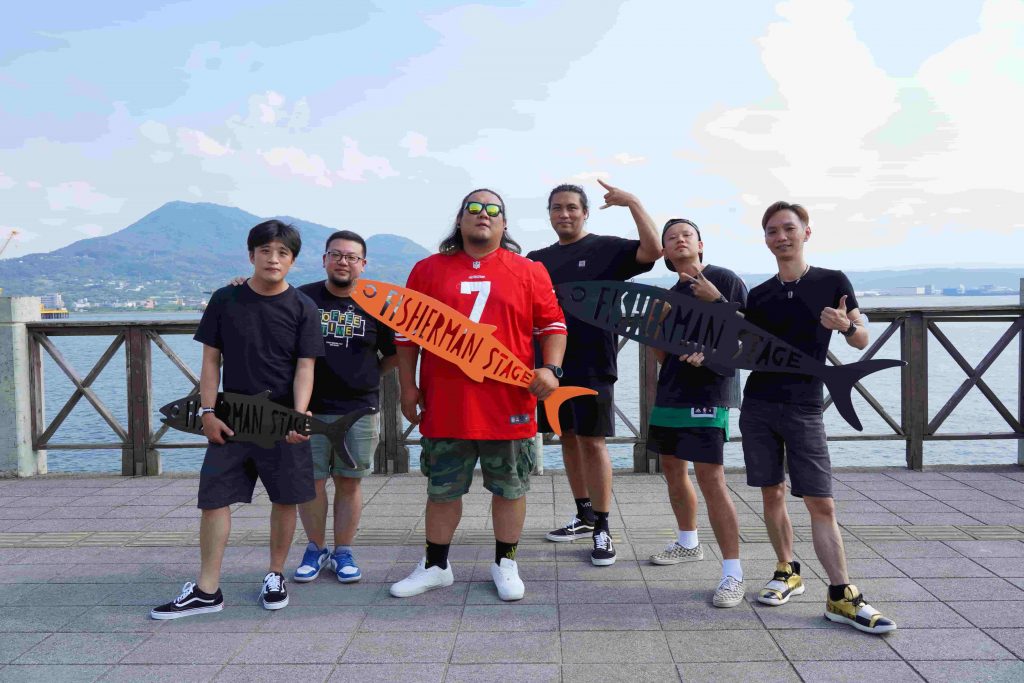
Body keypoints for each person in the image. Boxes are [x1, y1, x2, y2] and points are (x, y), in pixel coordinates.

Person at [389, 189, 567, 601]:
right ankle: (436, 566)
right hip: (446, 402)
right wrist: (408, 386)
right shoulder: (427, 269)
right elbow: (406, 336)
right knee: (442, 489)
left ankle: (506, 563)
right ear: (460, 219)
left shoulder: (529, 270)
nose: (482, 214)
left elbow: (553, 326)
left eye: (493, 210)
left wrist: (551, 369)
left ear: (504, 223)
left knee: (510, 488)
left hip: (509, 402)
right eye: (473, 208)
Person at [151, 220, 323, 619]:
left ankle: (275, 575)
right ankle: (207, 588)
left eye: (282, 253)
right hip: (229, 420)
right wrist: (207, 412)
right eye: (265, 251)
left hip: (281, 420)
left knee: (285, 499)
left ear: (293, 261)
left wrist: (299, 416)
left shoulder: (303, 307)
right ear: (251, 255)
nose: (273, 259)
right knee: (213, 499)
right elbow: (211, 360)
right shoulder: (226, 299)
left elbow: (306, 367)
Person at [741, 201, 896, 634]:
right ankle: (786, 570)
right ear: (765, 239)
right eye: (772, 231)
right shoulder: (760, 294)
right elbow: (743, 348)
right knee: (771, 492)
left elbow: (861, 339)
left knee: (820, 501)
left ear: (806, 232)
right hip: (759, 403)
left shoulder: (832, 281)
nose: (781, 237)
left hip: (804, 405)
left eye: (789, 228)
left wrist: (845, 325)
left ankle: (841, 594)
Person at [527, 181, 660, 565]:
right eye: (557, 208)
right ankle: (584, 515)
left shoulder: (606, 249)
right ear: (549, 215)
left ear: (585, 213)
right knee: (567, 438)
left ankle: (603, 525)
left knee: (593, 441)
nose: (564, 214)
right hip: (550, 367)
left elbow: (653, 250)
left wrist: (632, 200)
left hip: (594, 363)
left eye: (572, 207)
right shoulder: (537, 260)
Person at [646, 218, 748, 608]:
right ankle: (688, 542)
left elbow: (750, 334)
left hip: (710, 392)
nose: (679, 240)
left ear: (700, 244)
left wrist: (715, 302)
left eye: (686, 235)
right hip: (671, 390)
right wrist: (655, 325)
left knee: (711, 478)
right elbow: (661, 354)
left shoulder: (724, 279)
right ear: (665, 252)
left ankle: (733, 573)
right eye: (671, 237)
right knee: (672, 469)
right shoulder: (668, 295)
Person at [290, 231, 398, 584]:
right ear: (324, 259)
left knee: (349, 482)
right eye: (336, 255)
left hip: (359, 408)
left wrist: (367, 375)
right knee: (313, 481)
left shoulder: (376, 303)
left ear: (362, 264)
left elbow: (393, 354)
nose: (343, 262)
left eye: (352, 257)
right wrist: (240, 284)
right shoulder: (302, 297)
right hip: (310, 407)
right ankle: (315, 548)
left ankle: (343, 551)